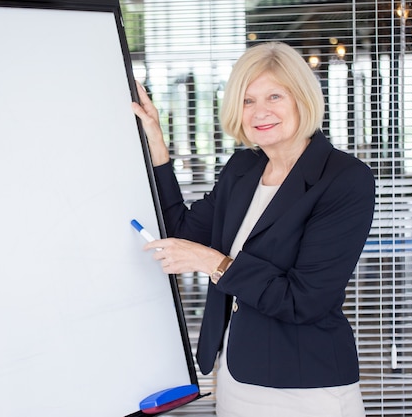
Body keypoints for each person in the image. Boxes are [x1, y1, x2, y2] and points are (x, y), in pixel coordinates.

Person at [131, 41, 375, 417]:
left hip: (306, 387)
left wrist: (214, 262)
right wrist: (156, 142)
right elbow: (181, 230)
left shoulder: (343, 178)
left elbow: (304, 300)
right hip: (235, 375)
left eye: (274, 96)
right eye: (247, 100)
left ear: (301, 99)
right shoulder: (243, 169)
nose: (260, 112)